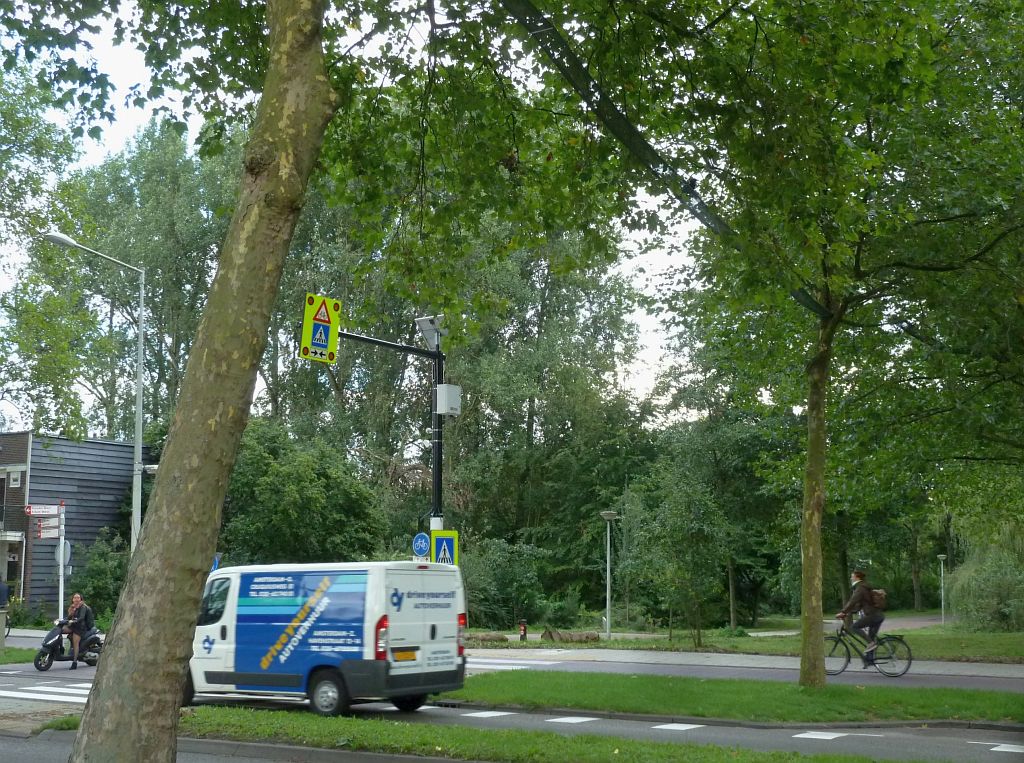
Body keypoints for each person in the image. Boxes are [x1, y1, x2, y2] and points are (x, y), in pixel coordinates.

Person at [836, 568, 884, 662]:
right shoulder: (864, 586)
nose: (851, 578)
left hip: (873, 615)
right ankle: (869, 660)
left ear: (857, 577)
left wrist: (843, 612)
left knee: (854, 627)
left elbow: (853, 601)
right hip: (878, 615)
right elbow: (859, 605)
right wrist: (849, 612)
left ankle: (871, 643)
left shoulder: (860, 588)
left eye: (852, 576)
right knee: (871, 640)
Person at [63, 593, 94, 670]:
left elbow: (81, 618)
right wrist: (62, 620)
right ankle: (61, 649)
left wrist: (73, 621)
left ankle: (74, 662)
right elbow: (69, 617)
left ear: (81, 599)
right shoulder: (73, 607)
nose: (76, 599)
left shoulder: (83, 607)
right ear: (72, 599)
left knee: (75, 643)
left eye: (78, 598)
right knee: (62, 630)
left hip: (80, 627)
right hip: (74, 625)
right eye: (75, 598)